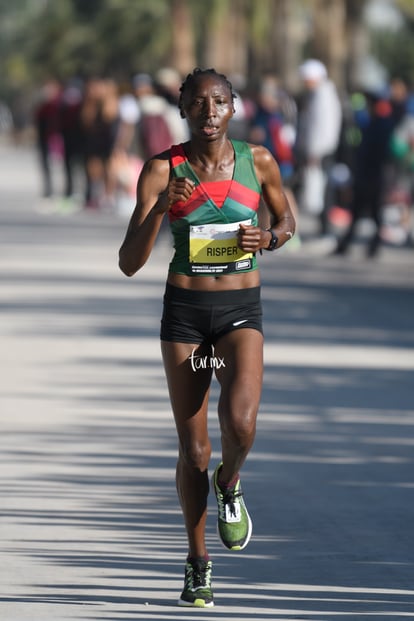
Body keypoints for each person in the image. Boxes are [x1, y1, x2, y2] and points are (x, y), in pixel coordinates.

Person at [118, 68, 295, 608]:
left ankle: (231, 481)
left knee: (240, 424)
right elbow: (129, 262)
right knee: (194, 449)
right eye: (198, 103)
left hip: (240, 311)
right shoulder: (161, 169)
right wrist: (159, 207)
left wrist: (269, 236)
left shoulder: (257, 160)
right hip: (187, 318)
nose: (209, 111)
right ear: (183, 110)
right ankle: (198, 564)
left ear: (234, 106)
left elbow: (286, 221)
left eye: (219, 101)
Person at [295, 59, 342, 235]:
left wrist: (315, 151)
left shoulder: (323, 95)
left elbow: (322, 127)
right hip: (318, 151)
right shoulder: (317, 94)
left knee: (324, 191)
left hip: (322, 151)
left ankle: (326, 230)